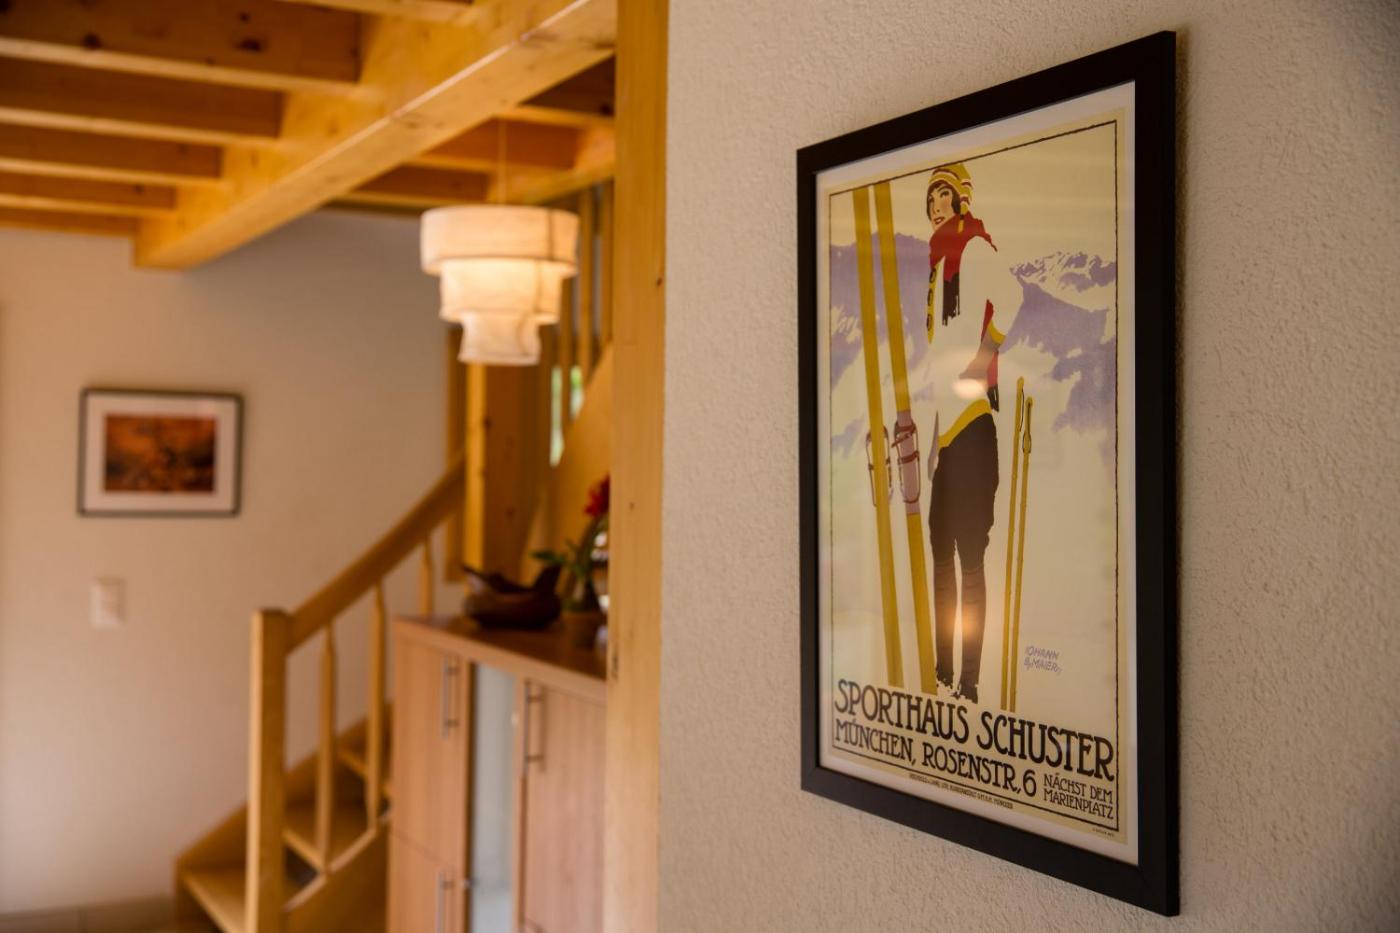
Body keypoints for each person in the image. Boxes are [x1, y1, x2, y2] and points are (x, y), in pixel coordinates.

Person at [922, 162, 1019, 703]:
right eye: (930, 198)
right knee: (940, 547)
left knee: (970, 557)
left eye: (943, 194)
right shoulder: (939, 265)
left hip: (975, 428)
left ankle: (969, 682)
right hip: (947, 435)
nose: (936, 205)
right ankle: (941, 672)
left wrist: (983, 359)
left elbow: (1013, 297)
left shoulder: (974, 249)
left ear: (960, 199)